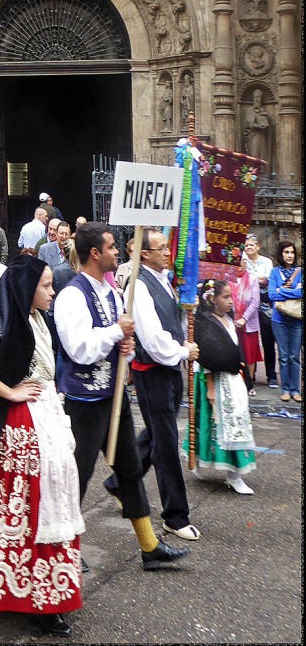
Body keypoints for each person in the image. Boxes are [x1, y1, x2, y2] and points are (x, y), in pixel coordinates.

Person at [0, 256, 83, 638]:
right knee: (28, 509)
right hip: (21, 426)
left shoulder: (38, 319)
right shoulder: (7, 321)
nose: (52, 292)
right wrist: (10, 392)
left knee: (49, 500)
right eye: (46, 285)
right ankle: (34, 598)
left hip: (46, 416)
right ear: (27, 288)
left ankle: (40, 591)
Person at [55, 222, 191, 573]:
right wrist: (117, 332)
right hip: (84, 403)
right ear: (95, 253)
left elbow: (118, 345)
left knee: (130, 470)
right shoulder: (72, 296)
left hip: (115, 396)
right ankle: (63, 548)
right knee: (78, 476)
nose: (118, 252)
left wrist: (126, 349)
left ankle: (149, 546)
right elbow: (79, 349)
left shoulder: (114, 293)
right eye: (112, 247)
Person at [124, 228, 201, 542]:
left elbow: (171, 322)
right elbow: (153, 340)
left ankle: (118, 483)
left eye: (167, 247)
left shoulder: (166, 281)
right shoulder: (139, 286)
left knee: (156, 434)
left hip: (169, 370)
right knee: (166, 442)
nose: (168, 252)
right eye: (160, 248)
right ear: (144, 254)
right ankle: (175, 515)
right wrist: (182, 351)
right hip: (153, 372)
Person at [188, 279, 256, 494]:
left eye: (230, 296)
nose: (230, 301)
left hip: (233, 379)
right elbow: (206, 357)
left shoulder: (228, 319)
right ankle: (200, 461)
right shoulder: (205, 323)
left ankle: (234, 475)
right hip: (214, 380)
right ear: (212, 299)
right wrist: (210, 388)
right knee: (209, 424)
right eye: (225, 297)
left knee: (236, 424)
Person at [269, 241, 302, 403]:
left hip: (296, 319)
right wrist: (294, 291)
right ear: (281, 254)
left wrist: (281, 290)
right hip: (279, 320)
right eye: (286, 252)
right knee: (283, 356)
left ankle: (295, 389)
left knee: (294, 356)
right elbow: (271, 295)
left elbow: (301, 293)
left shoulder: (300, 272)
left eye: (292, 252)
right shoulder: (275, 272)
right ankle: (286, 389)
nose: (289, 255)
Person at [242, 235, 277, 387]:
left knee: (268, 341)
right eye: (246, 245)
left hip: (264, 305)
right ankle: (251, 375)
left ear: (258, 246)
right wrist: (258, 279)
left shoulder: (267, 262)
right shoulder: (242, 261)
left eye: (251, 245)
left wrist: (251, 279)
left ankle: (271, 376)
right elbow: (255, 280)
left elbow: (267, 280)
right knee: (249, 341)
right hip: (248, 305)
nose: (248, 247)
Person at [230, 254, 263, 395]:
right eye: (236, 261)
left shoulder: (252, 278)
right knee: (233, 353)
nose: (239, 264)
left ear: (245, 262)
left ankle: (248, 385)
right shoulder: (227, 278)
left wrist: (243, 318)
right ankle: (235, 384)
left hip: (248, 323)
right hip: (231, 322)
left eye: (241, 261)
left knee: (249, 355)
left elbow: (255, 302)